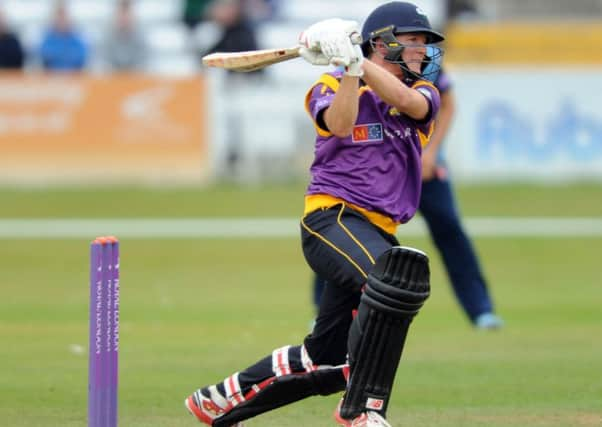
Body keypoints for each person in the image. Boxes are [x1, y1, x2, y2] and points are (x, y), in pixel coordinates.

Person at [184, 2, 444, 426]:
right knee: (394, 281)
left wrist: (355, 58)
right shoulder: (328, 84)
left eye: (424, 44)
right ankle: (363, 411)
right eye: (413, 41)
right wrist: (349, 70)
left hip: (379, 230)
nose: (421, 52)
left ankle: (219, 401)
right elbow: (341, 125)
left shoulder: (423, 95)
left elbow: (408, 102)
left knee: (327, 360)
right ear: (382, 43)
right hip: (332, 218)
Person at [312, 66, 504, 330]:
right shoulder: (349, 70)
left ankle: (481, 309)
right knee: (344, 234)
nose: (420, 47)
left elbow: (447, 104)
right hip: (373, 169)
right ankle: (323, 314)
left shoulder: (424, 63)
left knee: (449, 228)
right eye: (411, 38)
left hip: (420, 165)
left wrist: (432, 152)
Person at [38, 0, 89, 71]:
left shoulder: (77, 39)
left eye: (64, 16)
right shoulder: (47, 39)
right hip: (51, 78)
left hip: (75, 77)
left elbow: (81, 56)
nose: (61, 20)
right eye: (59, 16)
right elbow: (45, 55)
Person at [102, 0, 148, 71]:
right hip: (113, 79)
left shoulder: (141, 37)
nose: (124, 18)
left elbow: (144, 62)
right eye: (121, 14)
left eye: (126, 14)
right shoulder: (107, 37)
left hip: (135, 79)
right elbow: (103, 62)